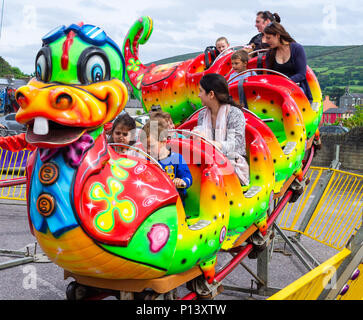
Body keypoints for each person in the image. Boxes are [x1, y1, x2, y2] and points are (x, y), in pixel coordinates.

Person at [194, 73, 249, 185]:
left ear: (211, 94)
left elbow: (234, 145)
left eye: (200, 91)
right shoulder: (202, 114)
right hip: (208, 163)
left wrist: (208, 142)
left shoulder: (234, 113)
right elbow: (198, 141)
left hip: (233, 164)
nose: (198, 95)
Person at [142, 119, 192, 203]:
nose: (148, 151)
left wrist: (182, 181)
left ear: (163, 142)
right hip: (155, 201)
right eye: (145, 147)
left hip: (175, 201)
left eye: (151, 146)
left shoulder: (176, 158)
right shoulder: (147, 161)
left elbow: (188, 178)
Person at [263, 21, 313, 102]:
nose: (266, 41)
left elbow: (301, 74)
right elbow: (270, 76)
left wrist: (285, 84)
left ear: (278, 35)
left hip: (296, 87)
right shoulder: (270, 54)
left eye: (268, 38)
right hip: (278, 89)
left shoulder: (297, 49)